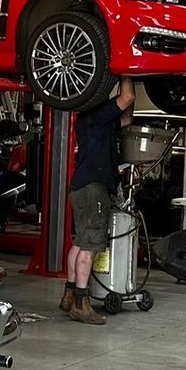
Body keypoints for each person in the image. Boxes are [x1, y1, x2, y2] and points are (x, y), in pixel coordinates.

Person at [63, 77, 133, 325]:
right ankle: (82, 304)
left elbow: (126, 118)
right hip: (94, 189)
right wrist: (128, 74)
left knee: (80, 242)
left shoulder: (91, 119)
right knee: (90, 246)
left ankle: (69, 295)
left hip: (81, 186)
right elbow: (127, 98)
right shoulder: (97, 114)